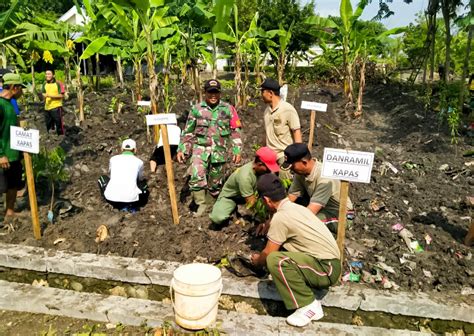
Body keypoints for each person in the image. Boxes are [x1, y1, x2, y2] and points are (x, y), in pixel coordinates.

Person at [250, 173, 341, 328]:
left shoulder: (281, 217)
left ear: (266, 200)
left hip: (326, 268)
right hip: (329, 265)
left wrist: (256, 260)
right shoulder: (296, 208)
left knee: (275, 260)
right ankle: (310, 296)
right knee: (282, 251)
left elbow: (268, 255)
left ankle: (308, 305)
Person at [176, 79, 242, 216]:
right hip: (200, 149)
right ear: (205, 93)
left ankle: (210, 203)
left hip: (219, 151)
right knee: (196, 174)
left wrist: (237, 149)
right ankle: (201, 204)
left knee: (215, 181)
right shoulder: (197, 109)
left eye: (216, 92)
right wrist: (183, 148)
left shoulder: (228, 109)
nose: (213, 95)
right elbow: (188, 131)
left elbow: (236, 130)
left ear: (220, 93)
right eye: (210, 92)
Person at [284, 143, 354, 233]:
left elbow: (309, 213)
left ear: (304, 162)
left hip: (341, 215)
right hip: (321, 208)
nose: (291, 170)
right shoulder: (300, 173)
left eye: (293, 166)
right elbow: (291, 197)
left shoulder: (325, 179)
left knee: (305, 226)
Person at [209, 146, 279, 227]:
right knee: (217, 218)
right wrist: (264, 220)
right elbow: (251, 203)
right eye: (268, 168)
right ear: (259, 164)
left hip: (252, 193)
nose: (270, 171)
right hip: (232, 197)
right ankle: (232, 211)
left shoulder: (261, 171)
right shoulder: (245, 176)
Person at [261, 78, 302, 180]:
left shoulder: (288, 109)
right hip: (270, 155)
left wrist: (297, 156)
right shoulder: (267, 110)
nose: (261, 94)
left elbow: (296, 132)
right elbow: (267, 133)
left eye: (262, 91)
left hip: (284, 155)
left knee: (285, 182)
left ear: (270, 93)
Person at [0, 73, 26, 222]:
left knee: (13, 184)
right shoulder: (1, 104)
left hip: (14, 153)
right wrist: (1, 154)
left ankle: (10, 212)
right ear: (14, 88)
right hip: (3, 154)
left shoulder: (11, 104)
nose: (22, 91)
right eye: (21, 88)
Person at [98, 139, 148, 212]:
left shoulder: (113, 159)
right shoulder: (139, 162)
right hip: (131, 200)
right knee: (144, 184)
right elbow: (140, 178)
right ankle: (135, 205)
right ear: (135, 150)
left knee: (102, 178)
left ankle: (107, 202)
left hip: (111, 198)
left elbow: (111, 174)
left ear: (122, 149)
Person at [41, 69, 65, 135]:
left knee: (58, 123)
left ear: (53, 75)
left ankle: (61, 136)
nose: (47, 75)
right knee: (48, 124)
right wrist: (44, 98)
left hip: (56, 106)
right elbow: (43, 94)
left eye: (49, 74)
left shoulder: (58, 83)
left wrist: (49, 95)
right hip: (47, 107)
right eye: (46, 74)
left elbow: (61, 95)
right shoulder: (44, 84)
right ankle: (50, 139)